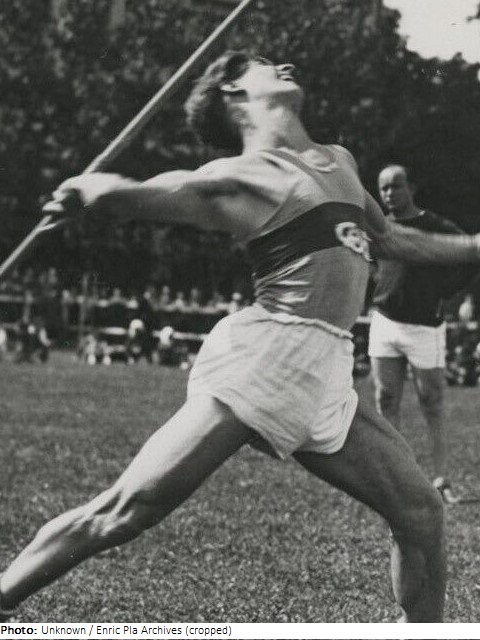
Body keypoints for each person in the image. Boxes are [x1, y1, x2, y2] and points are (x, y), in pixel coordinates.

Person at [2, 51, 480, 624]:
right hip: (267, 360)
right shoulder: (245, 175)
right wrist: (94, 189)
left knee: (421, 513)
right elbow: (162, 190)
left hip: (327, 367)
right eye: (263, 64)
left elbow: (391, 240)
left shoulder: (340, 160)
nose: (283, 64)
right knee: (127, 509)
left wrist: (474, 246)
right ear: (232, 92)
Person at [368, 164, 476, 504]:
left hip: (425, 327)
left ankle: (441, 480)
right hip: (385, 322)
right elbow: (370, 263)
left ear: (411, 188)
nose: (388, 194)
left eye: (395, 186)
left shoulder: (435, 226)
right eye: (383, 188)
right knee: (386, 399)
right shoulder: (380, 228)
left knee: (432, 402)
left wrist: (443, 291)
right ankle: (398, 480)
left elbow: (468, 256)